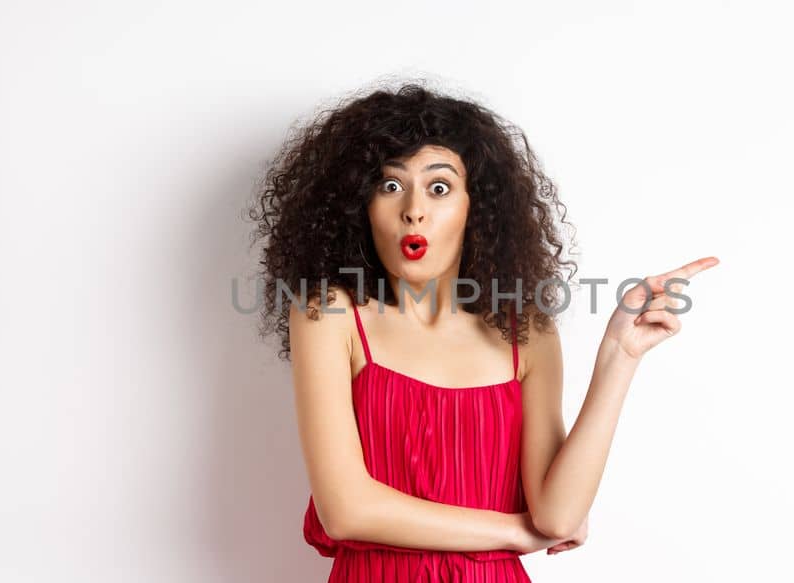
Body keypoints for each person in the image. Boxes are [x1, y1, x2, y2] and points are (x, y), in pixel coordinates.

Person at [247, 81, 717, 582]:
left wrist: (620, 355)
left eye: (440, 187)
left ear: (479, 208)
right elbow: (346, 511)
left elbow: (557, 516)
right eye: (389, 186)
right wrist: (513, 532)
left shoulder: (526, 332)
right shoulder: (330, 314)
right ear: (358, 207)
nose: (414, 209)